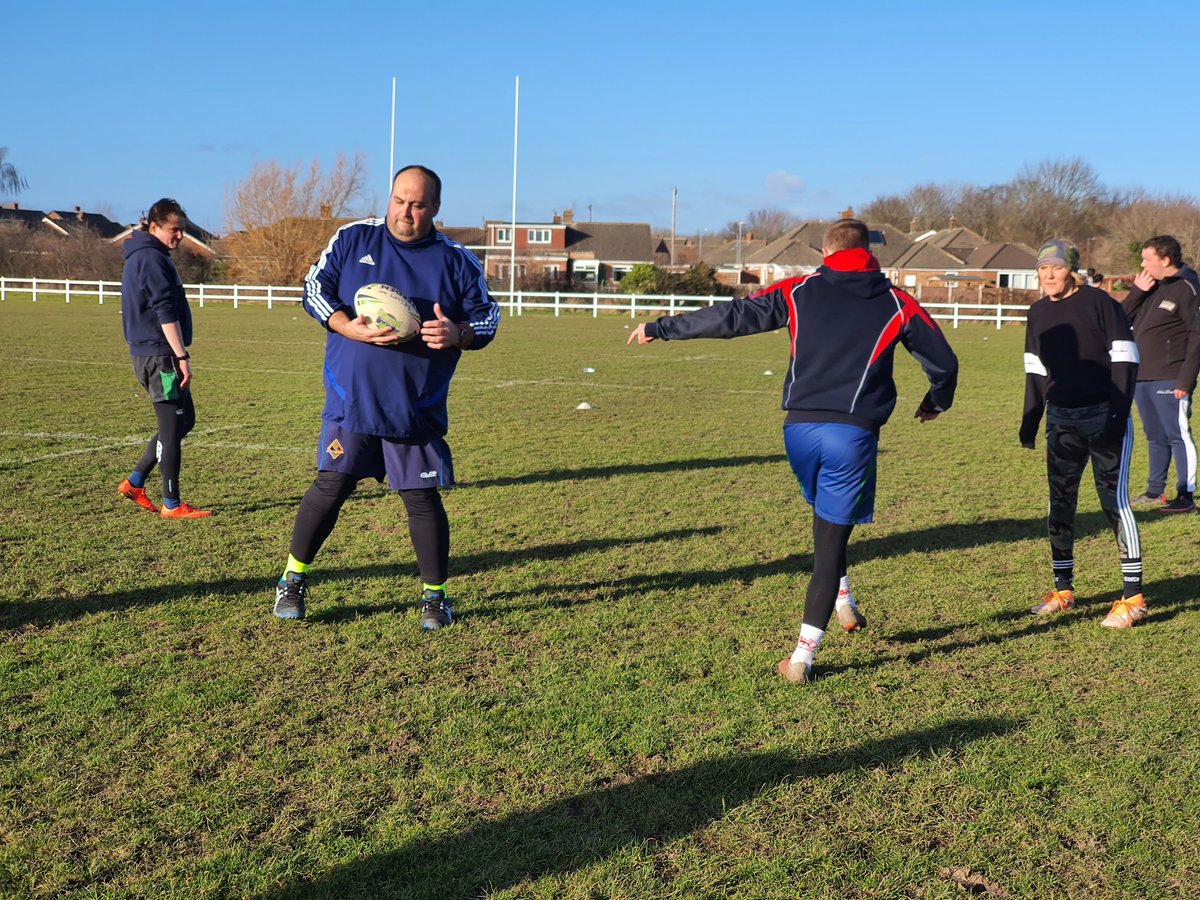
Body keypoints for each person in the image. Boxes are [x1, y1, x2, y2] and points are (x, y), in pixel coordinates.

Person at [627, 218, 958, 684]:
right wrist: (936, 401)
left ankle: (843, 599)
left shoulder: (799, 290)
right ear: (870, 252)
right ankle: (802, 656)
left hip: (798, 431)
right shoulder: (897, 302)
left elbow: (732, 317)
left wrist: (662, 328)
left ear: (825, 252)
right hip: (853, 434)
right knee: (829, 541)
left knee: (827, 522)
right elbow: (944, 362)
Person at [274, 165, 500, 627]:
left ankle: (434, 597)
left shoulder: (457, 261)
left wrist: (457, 333)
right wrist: (343, 323)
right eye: (399, 200)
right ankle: (292, 581)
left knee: (421, 498)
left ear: (435, 208)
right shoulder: (354, 238)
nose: (405, 212)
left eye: (417, 204)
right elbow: (313, 288)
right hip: (351, 398)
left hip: (413, 406)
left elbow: (488, 319)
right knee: (331, 485)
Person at [1021, 239, 1145, 628]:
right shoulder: (1038, 312)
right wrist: (1030, 419)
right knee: (1060, 503)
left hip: (1103, 416)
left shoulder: (1100, 303)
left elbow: (1126, 359)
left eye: (1056, 268)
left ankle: (1134, 598)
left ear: (1072, 271)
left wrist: (1115, 417)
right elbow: (1036, 369)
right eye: (1043, 269)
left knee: (1113, 503)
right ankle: (1063, 589)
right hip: (1061, 419)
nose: (1049, 275)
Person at [117, 198, 211, 519]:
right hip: (161, 357)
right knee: (172, 430)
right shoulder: (151, 259)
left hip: (154, 354)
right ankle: (171, 504)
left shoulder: (147, 255)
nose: (180, 236)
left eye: (183, 230)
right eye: (174, 230)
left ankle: (135, 481)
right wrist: (181, 355)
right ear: (154, 227)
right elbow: (164, 311)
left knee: (184, 421)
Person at [1121, 235, 1200, 512]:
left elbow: (1196, 337)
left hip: (1171, 377)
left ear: (1165, 260)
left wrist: (1185, 379)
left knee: (1178, 435)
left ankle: (1186, 496)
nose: (1142, 264)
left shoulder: (1188, 287)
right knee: (1155, 437)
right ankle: (1155, 491)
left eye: (1147, 259)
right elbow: (1120, 320)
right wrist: (1137, 291)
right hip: (1142, 376)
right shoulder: (1152, 286)